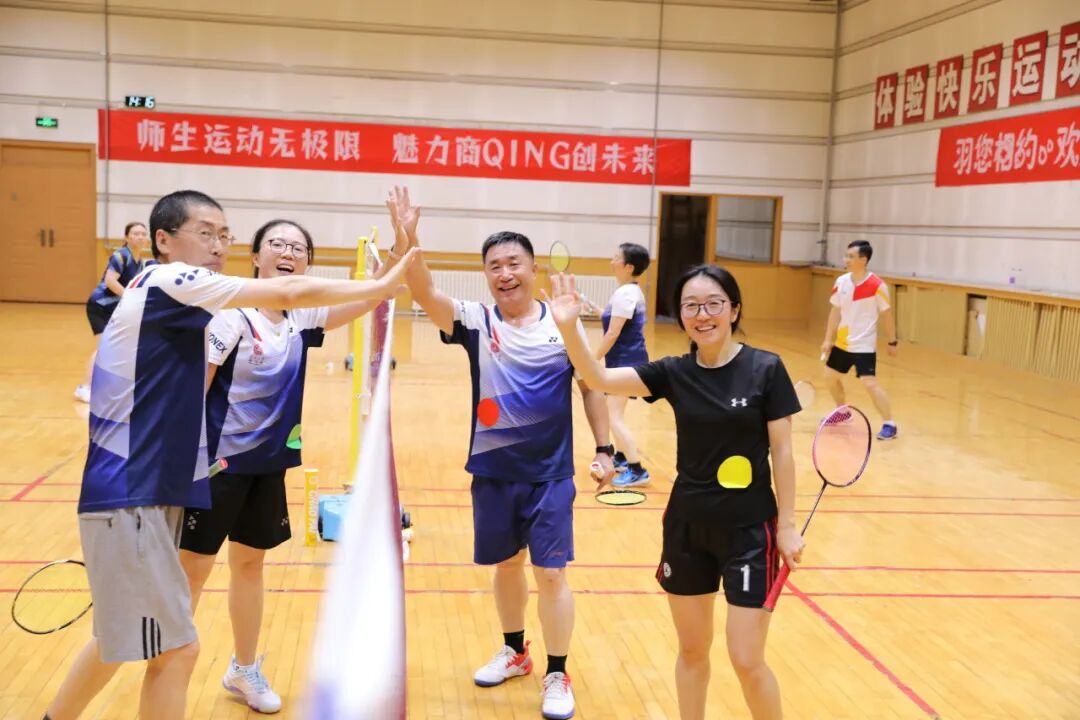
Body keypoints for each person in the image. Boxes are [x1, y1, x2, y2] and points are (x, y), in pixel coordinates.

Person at [43, 191, 416, 720]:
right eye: (205, 233)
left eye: (224, 235)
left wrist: (395, 260)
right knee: (176, 647)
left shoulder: (200, 300)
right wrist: (381, 283)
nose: (217, 245)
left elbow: (312, 298)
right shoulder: (173, 281)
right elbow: (288, 291)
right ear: (163, 241)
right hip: (143, 487)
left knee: (129, 643)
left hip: (159, 487)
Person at [382, 186, 613, 720]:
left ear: (533, 269)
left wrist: (605, 449)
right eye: (495, 266)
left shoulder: (562, 324)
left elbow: (592, 387)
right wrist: (408, 236)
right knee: (507, 566)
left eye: (514, 263)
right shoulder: (475, 321)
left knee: (550, 574)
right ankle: (515, 652)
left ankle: (557, 671)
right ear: (486, 275)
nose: (505, 273)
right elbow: (423, 291)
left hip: (550, 474)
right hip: (493, 471)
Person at [546, 265, 804, 720]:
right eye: (691, 306)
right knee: (692, 651)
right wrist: (569, 327)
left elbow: (782, 451)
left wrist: (787, 525)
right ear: (680, 315)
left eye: (713, 304)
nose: (702, 315)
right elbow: (598, 379)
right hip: (687, 530)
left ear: (734, 309)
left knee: (747, 658)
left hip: (750, 533)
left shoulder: (766, 369)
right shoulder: (674, 372)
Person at [178, 218, 391, 713]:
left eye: (298, 247)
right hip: (215, 467)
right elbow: (195, 390)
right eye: (276, 243)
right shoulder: (232, 314)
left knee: (250, 565)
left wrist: (401, 250)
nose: (287, 252)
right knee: (193, 573)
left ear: (307, 263)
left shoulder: (302, 317)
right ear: (256, 257)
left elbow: (369, 298)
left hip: (267, 465)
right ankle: (170, 675)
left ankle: (243, 668)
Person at [820, 240, 899, 440]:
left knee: (869, 383)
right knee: (829, 376)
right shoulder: (841, 282)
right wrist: (828, 339)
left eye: (851, 256)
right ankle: (842, 412)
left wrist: (892, 341)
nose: (846, 260)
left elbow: (887, 315)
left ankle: (889, 423)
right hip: (842, 343)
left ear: (863, 260)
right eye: (846, 256)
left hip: (864, 345)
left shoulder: (877, 286)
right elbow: (835, 311)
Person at [75, 222, 154, 403]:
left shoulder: (139, 262)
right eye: (135, 233)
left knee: (118, 347)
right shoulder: (121, 255)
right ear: (127, 237)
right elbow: (110, 281)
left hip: (114, 308)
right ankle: (84, 388)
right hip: (100, 306)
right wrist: (130, 297)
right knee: (103, 348)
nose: (140, 237)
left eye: (143, 234)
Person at [595, 242, 651, 487]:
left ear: (629, 266)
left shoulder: (626, 293)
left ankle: (637, 470)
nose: (612, 261)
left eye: (616, 257)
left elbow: (613, 333)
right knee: (615, 413)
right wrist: (592, 308)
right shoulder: (628, 291)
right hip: (625, 360)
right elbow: (615, 321)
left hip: (625, 362)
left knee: (613, 417)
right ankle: (621, 456)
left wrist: (592, 359)